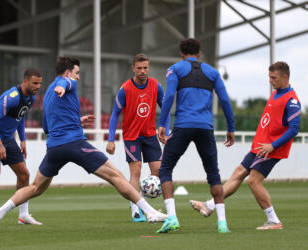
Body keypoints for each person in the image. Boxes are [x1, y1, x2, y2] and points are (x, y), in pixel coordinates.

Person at [0, 57, 167, 230]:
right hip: (75, 144)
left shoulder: (47, 92)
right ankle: (150, 212)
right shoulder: (68, 83)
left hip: (54, 148)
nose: (78, 76)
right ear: (67, 73)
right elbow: (67, 83)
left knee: (35, 188)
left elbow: (47, 128)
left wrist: (76, 121)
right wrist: (63, 87)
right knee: (116, 176)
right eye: (77, 72)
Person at [190, 61, 301, 230]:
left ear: (285, 77)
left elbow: (293, 130)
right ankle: (210, 206)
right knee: (239, 172)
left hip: (270, 149)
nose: (270, 81)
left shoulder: (292, 101)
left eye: (274, 78)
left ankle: (274, 221)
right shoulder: (276, 93)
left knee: (254, 181)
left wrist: (272, 145)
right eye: (269, 77)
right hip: (259, 146)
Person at [156, 38, 235, 233]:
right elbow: (224, 99)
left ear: (181, 53)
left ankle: (172, 218)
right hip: (205, 127)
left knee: (165, 169)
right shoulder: (213, 72)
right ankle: (222, 224)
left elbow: (169, 97)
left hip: (183, 125)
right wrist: (230, 127)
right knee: (213, 173)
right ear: (199, 53)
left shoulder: (176, 69)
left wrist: (162, 124)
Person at [0, 68, 43, 227]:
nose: (38, 86)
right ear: (25, 81)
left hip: (8, 139)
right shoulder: (11, 97)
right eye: (35, 83)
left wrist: (23, 140)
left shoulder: (31, 97)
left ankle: (23, 215)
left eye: (39, 83)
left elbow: (21, 116)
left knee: (24, 174)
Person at [106, 53, 169, 222]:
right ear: (133, 68)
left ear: (149, 68)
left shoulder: (156, 86)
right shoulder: (125, 89)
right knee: (136, 171)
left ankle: (145, 204)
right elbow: (114, 114)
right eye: (139, 68)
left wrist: (166, 130)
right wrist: (111, 139)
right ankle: (135, 210)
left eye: (145, 68)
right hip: (131, 137)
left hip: (149, 135)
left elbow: (165, 110)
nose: (142, 71)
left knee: (158, 172)